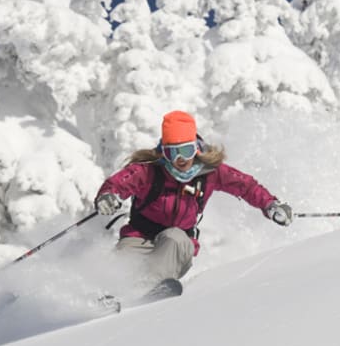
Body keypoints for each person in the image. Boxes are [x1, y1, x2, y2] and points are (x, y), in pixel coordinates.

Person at [94, 110, 292, 296]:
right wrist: (109, 196)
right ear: (164, 152)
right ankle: (108, 295)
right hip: (140, 237)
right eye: (173, 153)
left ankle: (147, 286)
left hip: (178, 246)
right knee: (123, 260)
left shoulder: (210, 173)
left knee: (174, 237)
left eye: (186, 150)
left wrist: (271, 205)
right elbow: (119, 183)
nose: (180, 159)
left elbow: (246, 186)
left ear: (196, 148)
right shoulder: (149, 171)